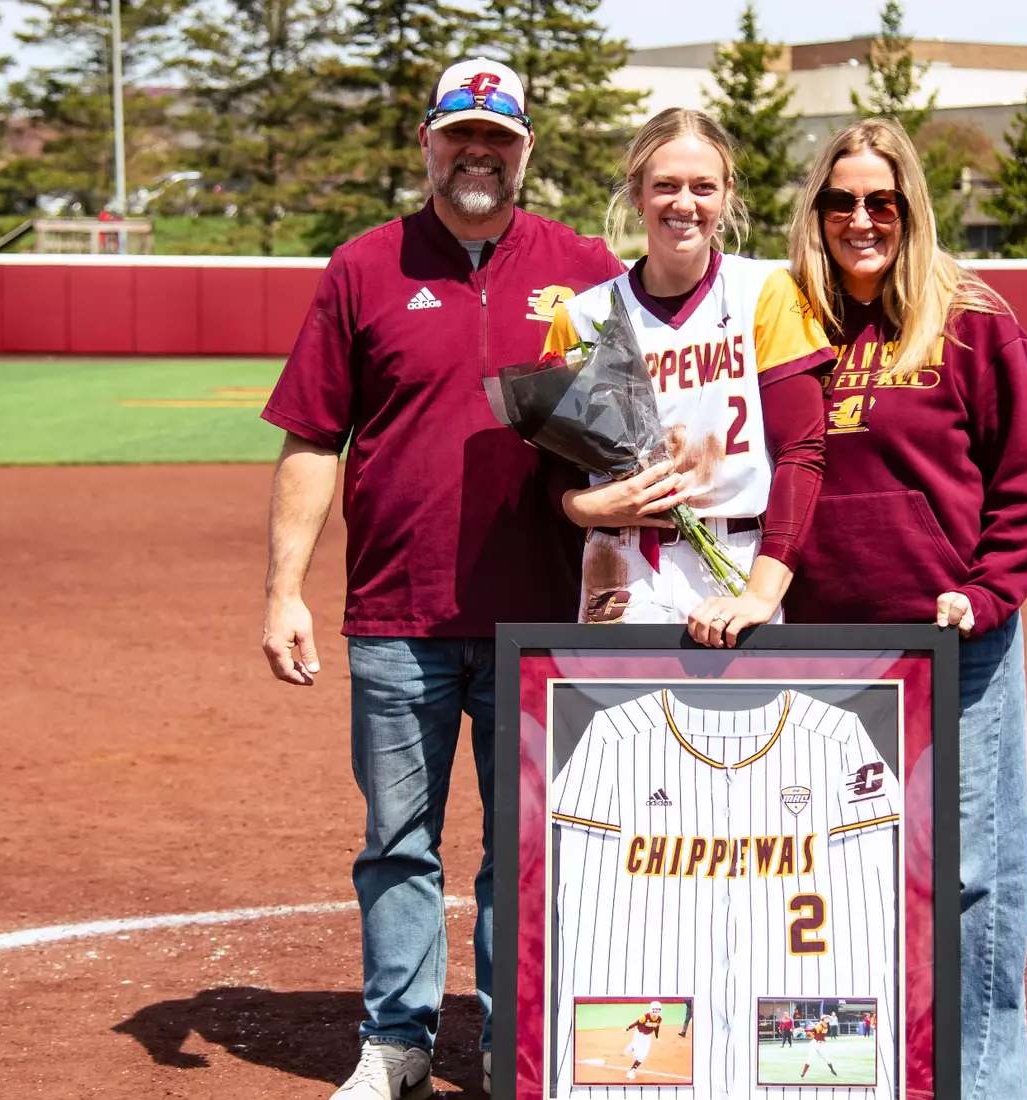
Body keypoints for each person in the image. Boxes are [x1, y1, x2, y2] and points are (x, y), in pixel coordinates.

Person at [258, 57, 621, 1100]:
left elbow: (628, 434)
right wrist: (284, 588)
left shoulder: (587, 268)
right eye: (460, 134)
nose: (478, 154)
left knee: (526, 846)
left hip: (540, 617)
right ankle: (398, 1039)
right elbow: (313, 437)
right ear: (428, 143)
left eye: (498, 139)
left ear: (525, 152)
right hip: (397, 613)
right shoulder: (364, 267)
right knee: (397, 841)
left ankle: (516, 1036)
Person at [780, 118, 1027, 1100]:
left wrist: (982, 597)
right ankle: (838, 1072)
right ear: (817, 213)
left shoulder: (974, 321)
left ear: (910, 211)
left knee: (974, 875)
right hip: (822, 655)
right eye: (842, 201)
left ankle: (984, 1080)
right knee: (829, 873)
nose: (863, 219)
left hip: (954, 647)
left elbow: (1024, 488)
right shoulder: (793, 326)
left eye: (882, 202)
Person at [542, 107, 834, 632]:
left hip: (736, 558)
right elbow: (553, 473)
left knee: (741, 718)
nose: (685, 203)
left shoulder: (765, 292)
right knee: (620, 716)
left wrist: (763, 593)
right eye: (665, 185)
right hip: (619, 562)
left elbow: (802, 453)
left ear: (726, 194)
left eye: (703, 187)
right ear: (636, 193)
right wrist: (584, 508)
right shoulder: (582, 316)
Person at [621, 1000, 663, 1080]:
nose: (656, 1012)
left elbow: (657, 1028)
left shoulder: (659, 1019)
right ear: (651, 1009)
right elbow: (636, 1023)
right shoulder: (645, 1017)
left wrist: (657, 1037)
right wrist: (626, 1029)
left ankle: (632, 1070)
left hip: (647, 1037)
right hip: (639, 1035)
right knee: (638, 1055)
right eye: (655, 1010)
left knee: (642, 1056)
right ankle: (633, 1047)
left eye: (658, 1010)